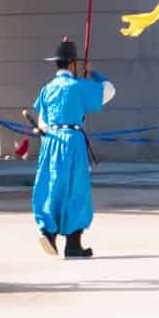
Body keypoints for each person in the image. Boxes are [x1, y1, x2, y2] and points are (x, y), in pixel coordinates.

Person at [31, 37, 113, 259]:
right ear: (72, 64)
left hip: (50, 140)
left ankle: (47, 230)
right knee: (76, 190)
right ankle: (73, 244)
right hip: (72, 140)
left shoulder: (47, 89)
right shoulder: (79, 86)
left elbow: (41, 121)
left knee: (51, 185)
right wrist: (91, 74)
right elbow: (108, 90)